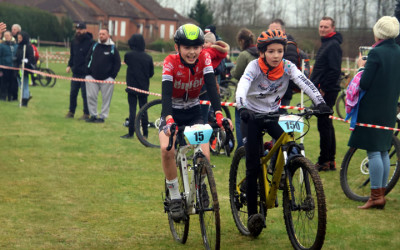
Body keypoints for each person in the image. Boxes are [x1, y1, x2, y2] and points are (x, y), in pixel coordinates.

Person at [235, 29, 331, 237]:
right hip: (250, 116)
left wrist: (320, 103)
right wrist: (242, 107)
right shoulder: (254, 67)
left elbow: (305, 82)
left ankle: (276, 169)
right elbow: (242, 85)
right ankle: (253, 215)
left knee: (290, 144)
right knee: (252, 165)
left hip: (271, 115)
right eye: (271, 51)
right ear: (262, 53)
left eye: (280, 50)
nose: (276, 55)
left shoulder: (288, 66)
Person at [159, 24, 232, 222]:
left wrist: (218, 113)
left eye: (196, 47)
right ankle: (174, 196)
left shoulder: (205, 58)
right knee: (167, 149)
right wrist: (168, 118)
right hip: (171, 111)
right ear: (177, 47)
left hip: (193, 111)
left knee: (204, 153)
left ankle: (201, 187)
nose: (192, 52)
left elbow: (210, 85)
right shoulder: (170, 62)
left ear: (201, 47)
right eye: (186, 47)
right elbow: (165, 94)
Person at [348, 16, 400, 209]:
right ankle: (381, 193)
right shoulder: (398, 51)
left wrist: (361, 67)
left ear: (379, 31)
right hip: (389, 107)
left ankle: (376, 195)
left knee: (373, 152)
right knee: (383, 150)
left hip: (373, 108)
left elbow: (364, 83)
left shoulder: (376, 53)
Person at [310, 16, 343, 171]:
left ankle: (324, 161)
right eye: (321, 26)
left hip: (326, 92)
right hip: (321, 90)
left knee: (324, 126)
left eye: (326, 27)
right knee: (326, 125)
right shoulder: (326, 44)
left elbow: (334, 71)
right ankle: (329, 160)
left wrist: (323, 89)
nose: (322, 29)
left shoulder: (333, 45)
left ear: (333, 28)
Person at [121, 34, 154, 139]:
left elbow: (127, 62)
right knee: (144, 109)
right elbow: (151, 73)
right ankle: (145, 133)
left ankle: (131, 133)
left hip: (131, 86)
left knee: (132, 110)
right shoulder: (148, 57)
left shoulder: (129, 55)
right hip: (143, 87)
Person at [85, 28, 121, 123]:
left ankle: (102, 117)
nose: (101, 36)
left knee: (106, 99)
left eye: (103, 34)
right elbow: (88, 58)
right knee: (91, 97)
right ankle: (93, 115)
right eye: (100, 34)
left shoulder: (113, 48)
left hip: (107, 79)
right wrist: (88, 72)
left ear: (108, 35)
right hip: (92, 77)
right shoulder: (94, 46)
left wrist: (112, 76)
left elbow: (117, 63)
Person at [231, 28, 258, 149]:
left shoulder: (244, 54)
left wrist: (231, 71)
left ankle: (242, 148)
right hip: (258, 93)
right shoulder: (260, 52)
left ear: (242, 41)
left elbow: (237, 74)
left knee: (239, 121)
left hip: (244, 93)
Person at [269, 18, 301, 113]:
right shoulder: (268, 46)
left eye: (277, 30)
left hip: (282, 92)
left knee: (280, 120)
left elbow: (290, 73)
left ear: (283, 31)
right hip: (269, 91)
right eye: (271, 31)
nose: (274, 33)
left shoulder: (289, 46)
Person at [65, 22, 95, 120]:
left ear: (85, 30)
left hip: (85, 73)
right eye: (77, 29)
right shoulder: (74, 42)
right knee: (73, 93)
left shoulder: (91, 42)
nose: (78, 31)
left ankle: (86, 113)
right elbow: (72, 55)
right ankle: (71, 111)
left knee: (85, 94)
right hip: (76, 72)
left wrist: (89, 69)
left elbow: (92, 58)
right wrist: (69, 65)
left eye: (80, 29)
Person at [16, 31, 35, 107]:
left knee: (25, 85)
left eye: (20, 38)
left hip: (25, 69)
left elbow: (31, 57)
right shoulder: (19, 46)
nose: (19, 39)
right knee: (21, 85)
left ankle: (24, 101)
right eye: (18, 38)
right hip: (18, 68)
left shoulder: (28, 46)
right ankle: (23, 98)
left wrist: (26, 61)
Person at [0, 31, 18, 101]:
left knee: (12, 83)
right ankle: (3, 97)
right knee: (3, 83)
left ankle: (10, 97)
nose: (6, 37)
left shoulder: (15, 46)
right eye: (5, 36)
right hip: (4, 67)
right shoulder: (1, 45)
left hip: (13, 67)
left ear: (11, 36)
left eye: (8, 35)